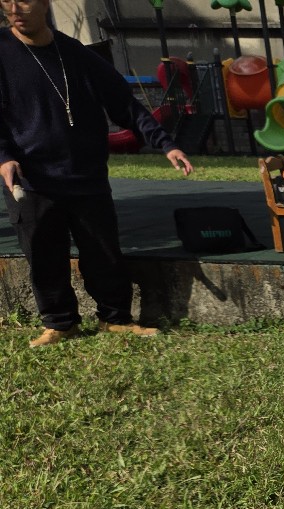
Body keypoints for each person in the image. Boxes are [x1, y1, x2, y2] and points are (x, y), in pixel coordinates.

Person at [0, 0, 193, 347]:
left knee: (103, 251)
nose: (14, 8)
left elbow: (124, 103)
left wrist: (165, 144)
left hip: (85, 174)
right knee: (43, 255)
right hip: (31, 178)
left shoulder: (75, 53)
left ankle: (115, 318)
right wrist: (4, 157)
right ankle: (60, 323)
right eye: (6, 0)